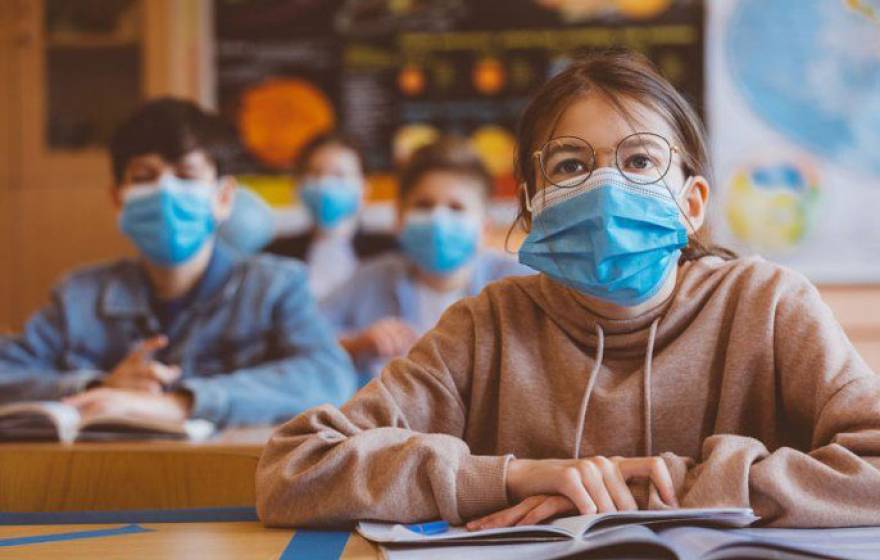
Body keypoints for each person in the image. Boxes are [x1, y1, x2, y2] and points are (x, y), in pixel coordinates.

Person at [255, 51, 880, 529]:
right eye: (571, 166)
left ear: (692, 204)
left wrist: (655, 491)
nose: (607, 188)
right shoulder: (485, 326)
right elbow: (294, 470)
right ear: (530, 209)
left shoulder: (768, 304)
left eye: (639, 161)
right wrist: (515, 477)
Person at [0, 97, 356, 427]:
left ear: (223, 197)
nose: (165, 192)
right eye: (144, 177)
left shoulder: (275, 286)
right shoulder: (79, 296)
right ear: (117, 198)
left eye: (186, 176)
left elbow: (329, 375)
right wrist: (100, 384)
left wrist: (182, 403)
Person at [320, 137, 533, 383]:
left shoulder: (520, 285)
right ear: (399, 220)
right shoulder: (371, 278)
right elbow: (303, 338)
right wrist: (356, 345)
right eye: (424, 205)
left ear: (484, 229)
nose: (438, 219)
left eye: (456, 208)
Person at [266, 133, 397, 299]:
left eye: (339, 175)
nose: (325, 184)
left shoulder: (389, 253)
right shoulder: (275, 257)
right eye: (315, 173)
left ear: (364, 188)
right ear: (298, 185)